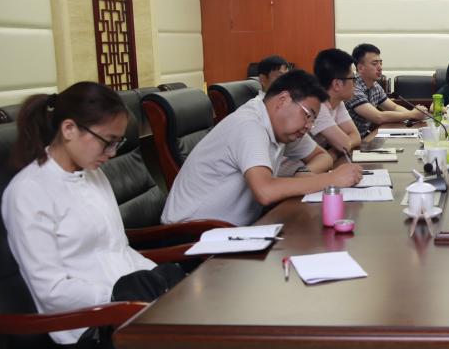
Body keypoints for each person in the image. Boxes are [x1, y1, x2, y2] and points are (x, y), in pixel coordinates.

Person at [2, 82, 184, 345]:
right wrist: (122, 295)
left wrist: (161, 280)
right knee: (215, 347)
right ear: (69, 129)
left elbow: (118, 250)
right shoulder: (28, 192)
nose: (112, 154)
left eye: (117, 143)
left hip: (132, 312)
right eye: (107, 142)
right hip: (90, 331)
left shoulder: (93, 174)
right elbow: (52, 291)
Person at [162, 69, 363, 226]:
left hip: (233, 231)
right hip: (192, 234)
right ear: (283, 100)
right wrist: (331, 179)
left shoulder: (282, 128)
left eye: (313, 120)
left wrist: (304, 173)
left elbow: (322, 156)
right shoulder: (249, 124)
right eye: (308, 115)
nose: (309, 126)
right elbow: (265, 191)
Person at [345, 43, 427, 139]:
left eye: (380, 63)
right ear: (360, 68)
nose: (380, 67)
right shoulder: (353, 88)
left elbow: (394, 107)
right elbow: (378, 117)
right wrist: (412, 114)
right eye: (374, 64)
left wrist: (415, 115)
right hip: (349, 141)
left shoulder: (375, 86)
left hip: (363, 136)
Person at [311, 47, 362, 158]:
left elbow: (355, 136)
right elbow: (344, 145)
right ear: (337, 84)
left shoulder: (338, 102)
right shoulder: (317, 106)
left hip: (320, 159)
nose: (356, 84)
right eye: (353, 79)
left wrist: (333, 152)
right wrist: (339, 148)